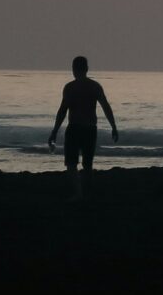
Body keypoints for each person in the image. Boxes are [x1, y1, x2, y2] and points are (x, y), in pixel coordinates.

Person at [47, 55, 118, 196]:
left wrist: (54, 131)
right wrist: (113, 126)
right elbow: (106, 107)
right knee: (88, 164)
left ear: (73, 69)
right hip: (90, 128)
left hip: (74, 128)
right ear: (86, 69)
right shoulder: (95, 86)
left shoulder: (70, 87)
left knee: (71, 164)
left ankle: (79, 193)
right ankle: (86, 193)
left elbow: (62, 110)